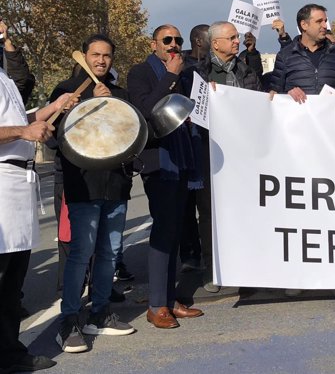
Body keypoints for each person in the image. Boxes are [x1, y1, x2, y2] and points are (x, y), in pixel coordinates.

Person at [50, 34, 136, 353]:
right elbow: (51, 139)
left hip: (115, 184)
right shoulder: (65, 91)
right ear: (84, 57)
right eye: (95, 54)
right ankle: (69, 320)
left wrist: (110, 104)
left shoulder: (120, 93)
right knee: (81, 253)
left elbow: (131, 134)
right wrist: (80, 104)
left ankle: (99, 313)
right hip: (82, 184)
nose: (101, 60)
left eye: (107, 56)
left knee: (111, 252)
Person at [0, 19, 76, 372]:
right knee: (3, 279)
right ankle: (8, 355)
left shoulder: (3, 78)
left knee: (13, 281)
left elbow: (20, 121)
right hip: (3, 181)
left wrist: (49, 109)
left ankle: (10, 352)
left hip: (18, 184)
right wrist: (25, 129)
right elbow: (17, 129)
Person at [127, 24, 203, 328]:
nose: (174, 45)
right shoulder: (139, 72)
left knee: (174, 232)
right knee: (162, 233)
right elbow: (144, 109)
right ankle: (157, 304)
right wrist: (171, 76)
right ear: (154, 44)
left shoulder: (186, 73)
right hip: (159, 162)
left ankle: (170, 299)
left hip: (183, 158)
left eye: (178, 40)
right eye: (167, 40)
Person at [182, 21, 261, 293]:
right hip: (208, 151)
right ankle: (212, 267)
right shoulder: (195, 74)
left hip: (242, 152)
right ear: (215, 44)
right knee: (209, 211)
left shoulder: (247, 71)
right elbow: (188, 110)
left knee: (244, 208)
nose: (237, 41)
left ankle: (245, 265)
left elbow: (258, 103)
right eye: (231, 38)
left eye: (237, 37)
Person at [271, 4, 335, 102]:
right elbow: (273, 95)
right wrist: (287, 94)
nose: (325, 26)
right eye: (319, 21)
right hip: (298, 116)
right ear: (304, 25)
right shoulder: (285, 55)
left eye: (325, 21)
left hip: (330, 116)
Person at [179, 24, 210, 274]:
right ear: (199, 41)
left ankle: (211, 254)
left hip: (208, 145)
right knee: (187, 205)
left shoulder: (210, 67)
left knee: (208, 206)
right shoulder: (184, 69)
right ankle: (190, 254)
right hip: (188, 143)